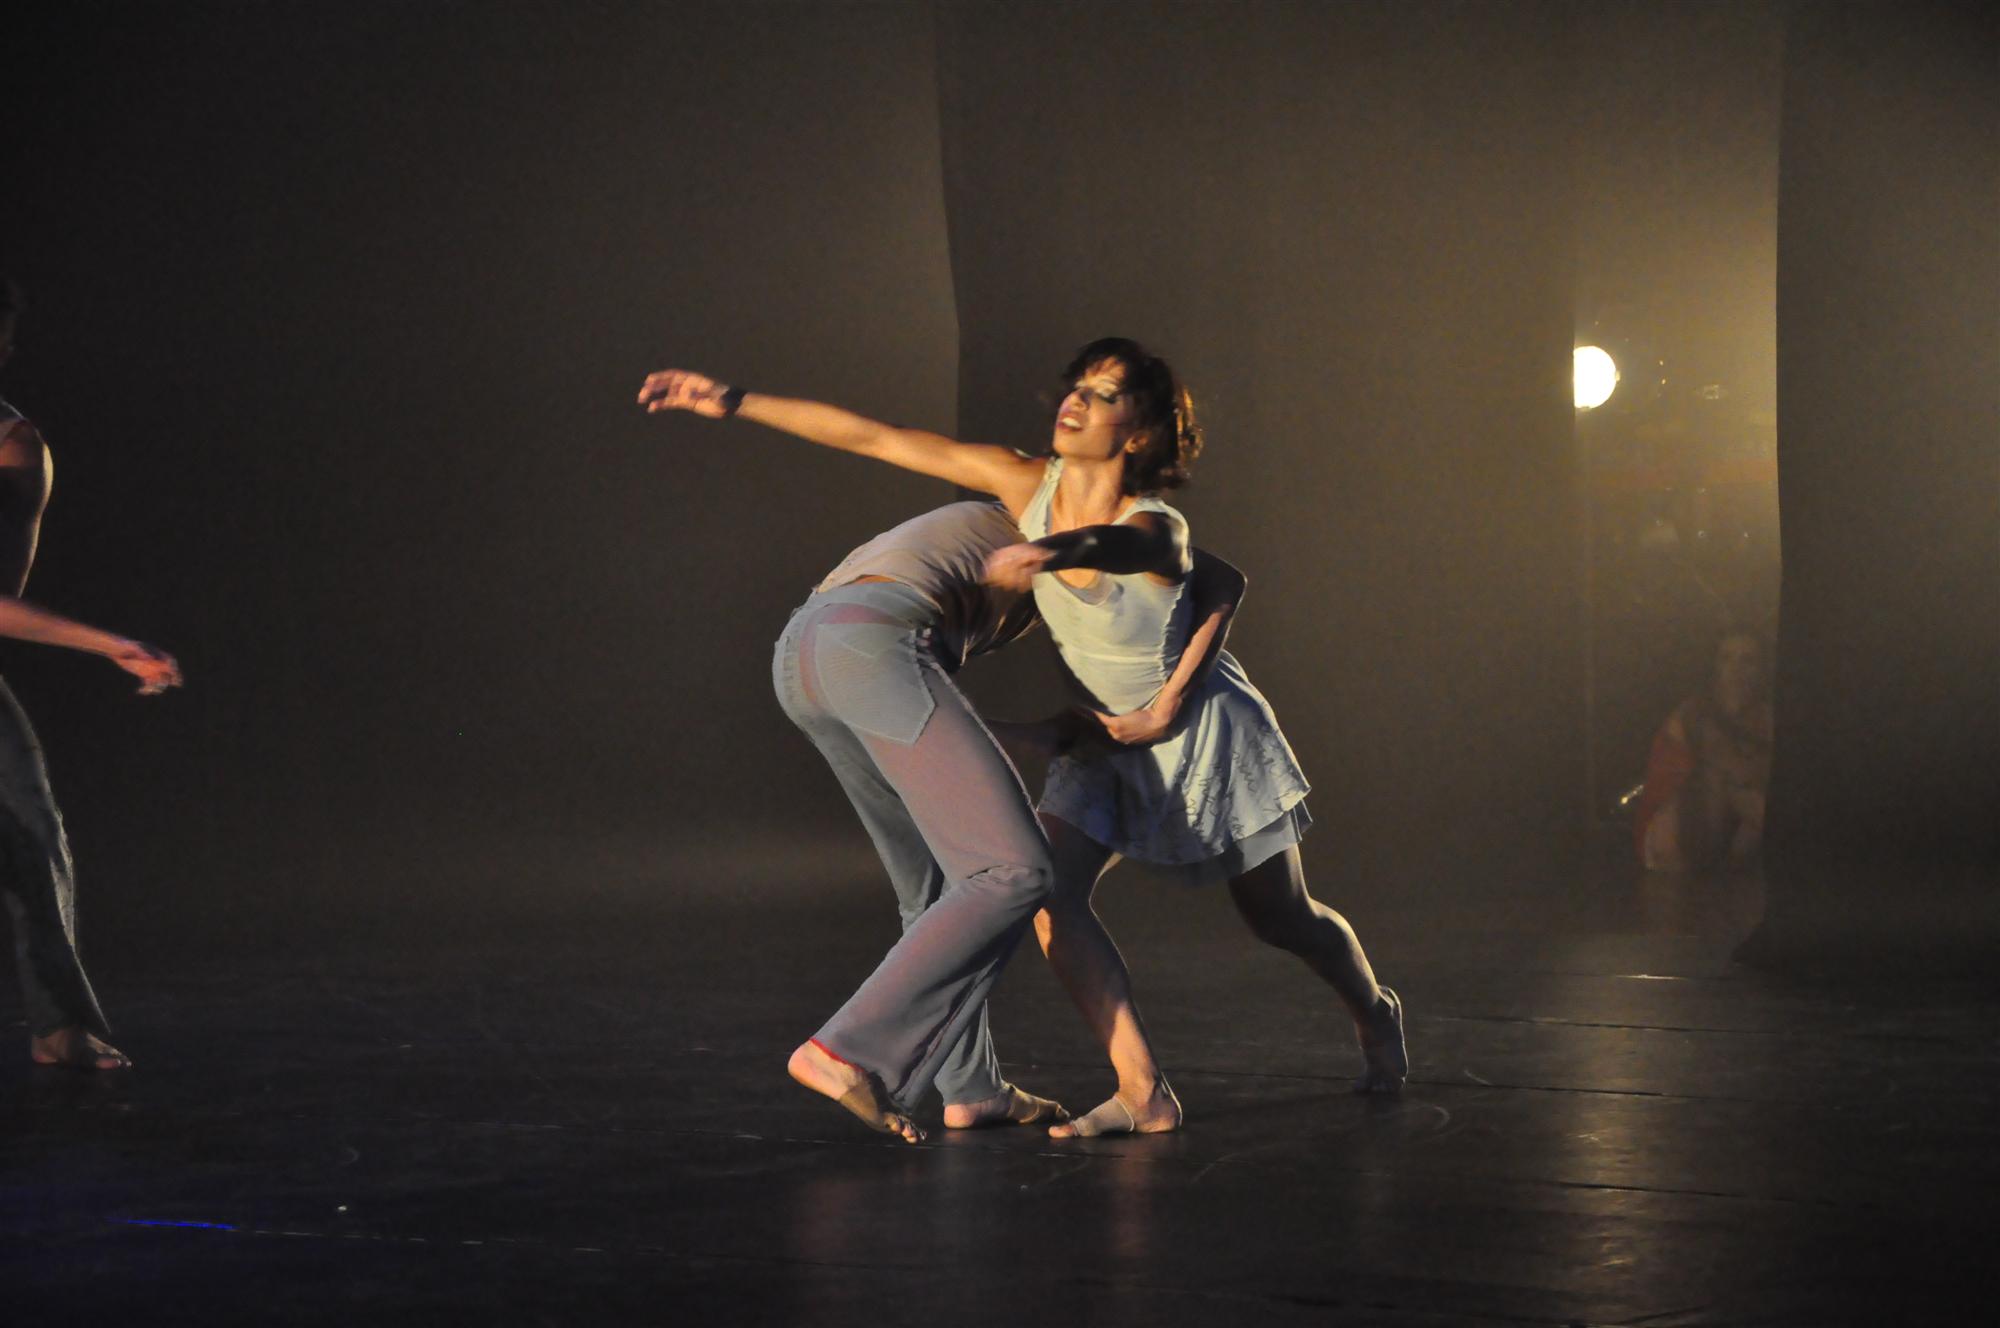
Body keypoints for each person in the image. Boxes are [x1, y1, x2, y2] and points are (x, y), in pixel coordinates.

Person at [639, 336, 1405, 1139]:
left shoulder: (1146, 520)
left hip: (1202, 734)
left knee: (1281, 917)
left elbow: (1174, 558)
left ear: (1139, 432)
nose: (1077, 400)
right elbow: (877, 437)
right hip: (1107, 739)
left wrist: (1068, 565)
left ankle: (1374, 1008)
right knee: (1045, 895)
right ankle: (1142, 1090)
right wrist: (732, 399)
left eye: (1105, 394)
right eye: (1078, 386)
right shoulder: (1021, 483)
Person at [1, 274, 183, 1071]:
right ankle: (59, 1028)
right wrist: (109, 642)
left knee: (31, 835)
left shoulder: (11, 446)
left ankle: (59, 1029)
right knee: (30, 833)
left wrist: (105, 642)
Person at [1633, 628, 1773, 873]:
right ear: (1715, 667)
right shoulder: (1695, 713)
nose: (1735, 670)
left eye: (1747, 660)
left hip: (1730, 828)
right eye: (1726, 659)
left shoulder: (1767, 716)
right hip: (1672, 828)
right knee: (1728, 783)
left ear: (1761, 670)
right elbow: (1733, 770)